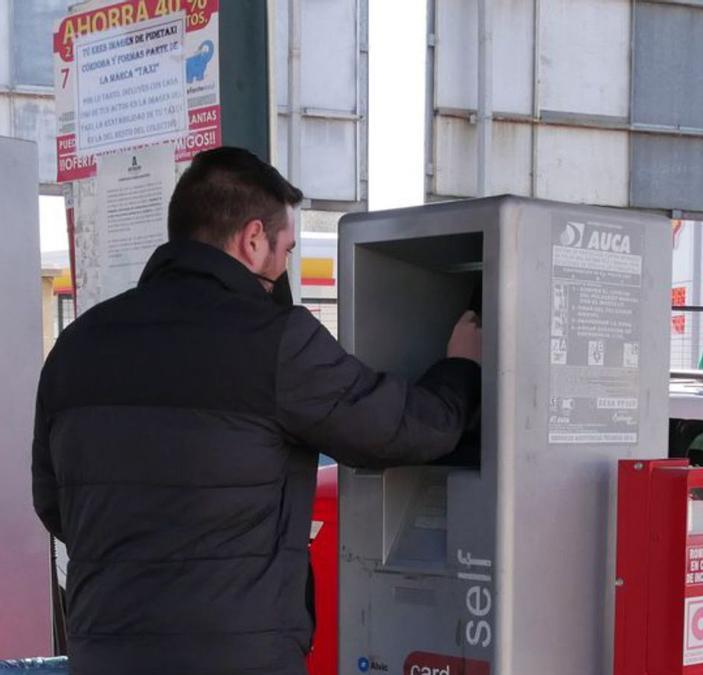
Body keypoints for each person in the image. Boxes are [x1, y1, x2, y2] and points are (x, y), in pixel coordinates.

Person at [32, 146, 482, 675]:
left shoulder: (77, 345)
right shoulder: (273, 341)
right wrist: (462, 368)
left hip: (101, 652)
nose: (285, 264)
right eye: (286, 249)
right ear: (252, 239)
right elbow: (402, 429)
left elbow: (55, 506)